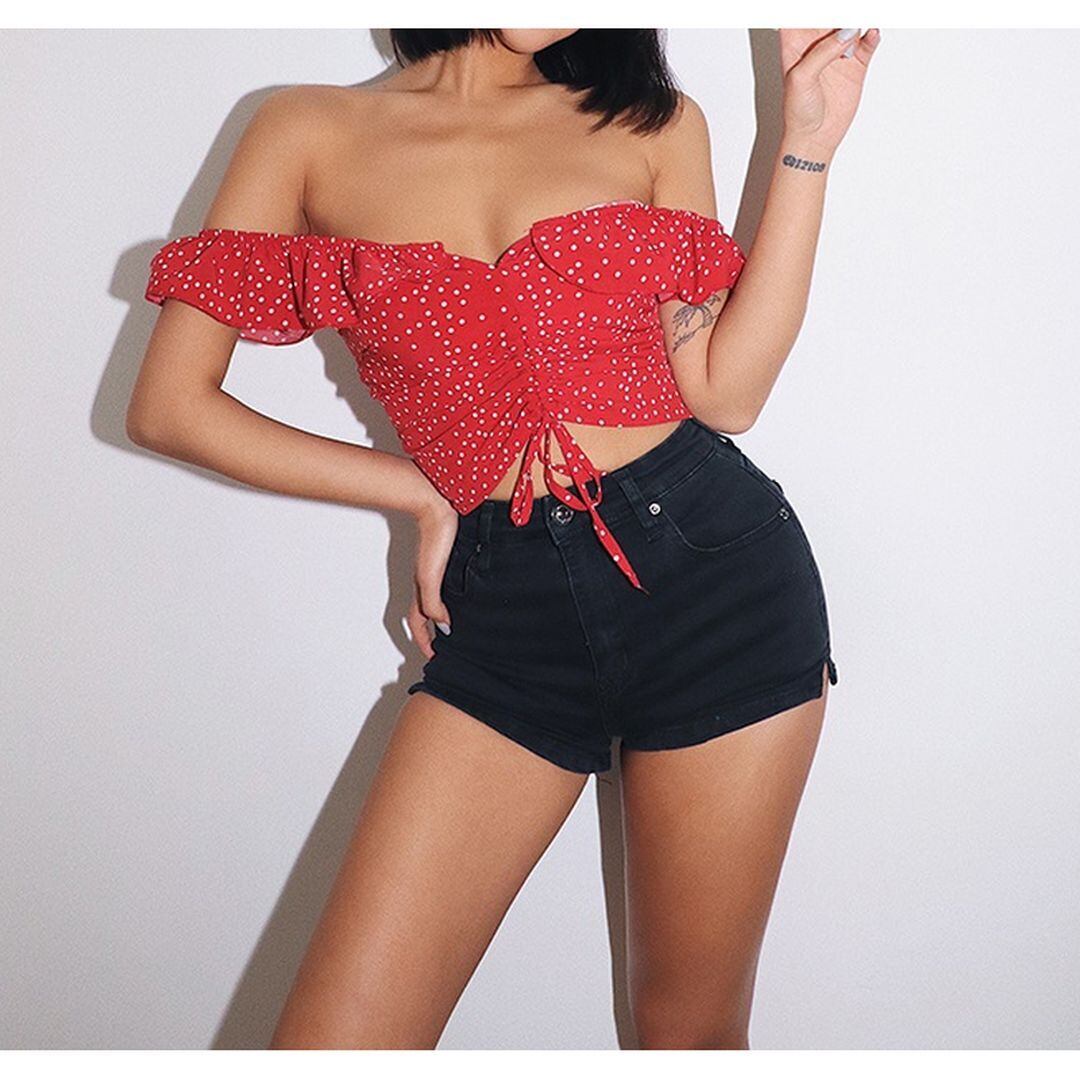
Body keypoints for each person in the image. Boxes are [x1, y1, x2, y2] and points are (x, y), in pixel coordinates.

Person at [127, 27, 880, 1050]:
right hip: (507, 614)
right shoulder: (304, 130)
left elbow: (727, 392)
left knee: (687, 1034)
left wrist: (807, 145)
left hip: (717, 576)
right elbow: (170, 405)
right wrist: (420, 494)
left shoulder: (652, 124)